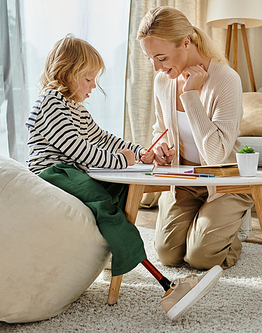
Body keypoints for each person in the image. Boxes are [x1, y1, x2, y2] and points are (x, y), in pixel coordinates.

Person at [25, 35, 222, 321]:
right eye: (89, 78)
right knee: (103, 201)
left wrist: (142, 152)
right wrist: (122, 161)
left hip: (71, 171)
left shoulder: (74, 108)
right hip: (52, 172)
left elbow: (103, 138)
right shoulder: (51, 103)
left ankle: (114, 249)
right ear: (68, 73)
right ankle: (166, 285)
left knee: (123, 188)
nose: (94, 86)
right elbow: (82, 152)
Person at [137, 7, 254, 272]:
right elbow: (161, 129)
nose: (157, 67)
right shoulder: (162, 81)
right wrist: (161, 148)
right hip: (185, 180)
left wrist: (190, 96)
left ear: (186, 42)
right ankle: (206, 228)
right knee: (168, 255)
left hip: (225, 182)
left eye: (162, 57)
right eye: (150, 59)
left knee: (200, 258)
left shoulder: (226, 80)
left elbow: (215, 156)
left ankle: (229, 238)